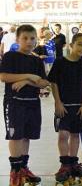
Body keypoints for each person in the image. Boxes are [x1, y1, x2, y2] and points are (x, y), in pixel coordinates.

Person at [0, 24, 49, 186]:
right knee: (16, 136)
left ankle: (24, 168)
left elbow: (42, 83)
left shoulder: (36, 60)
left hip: (33, 103)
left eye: (32, 38)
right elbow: (4, 77)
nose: (29, 42)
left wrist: (27, 81)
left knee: (27, 135)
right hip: (14, 103)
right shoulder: (10, 57)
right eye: (25, 38)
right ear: (18, 39)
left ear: (37, 39)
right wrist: (28, 76)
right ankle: (15, 172)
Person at [48, 33, 82, 184]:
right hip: (64, 107)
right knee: (63, 135)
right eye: (79, 44)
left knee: (75, 135)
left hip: (78, 107)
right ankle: (64, 164)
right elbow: (54, 83)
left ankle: (73, 162)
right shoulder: (60, 62)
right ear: (71, 45)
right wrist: (57, 102)